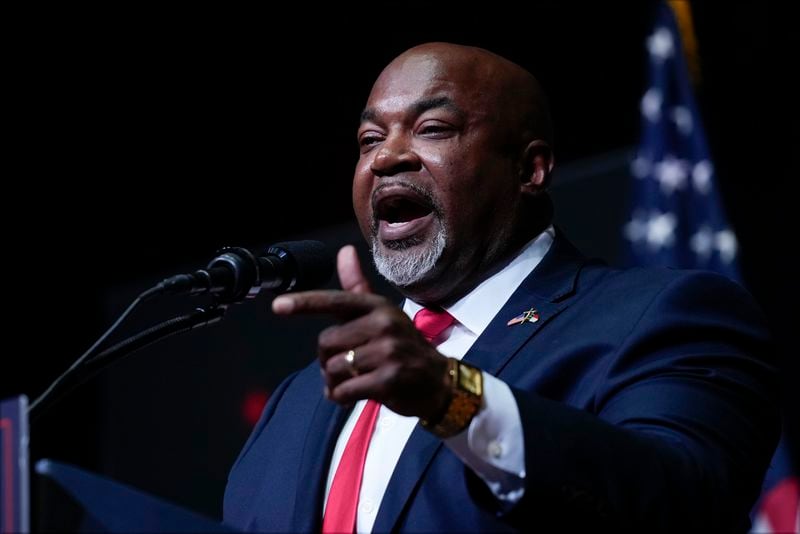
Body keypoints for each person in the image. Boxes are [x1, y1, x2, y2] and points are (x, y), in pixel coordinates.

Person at [223, 42, 779, 532]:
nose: (387, 157)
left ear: (529, 169)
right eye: (369, 139)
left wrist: (450, 397)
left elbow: (683, 505)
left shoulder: (662, 317)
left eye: (433, 128)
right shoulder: (295, 405)